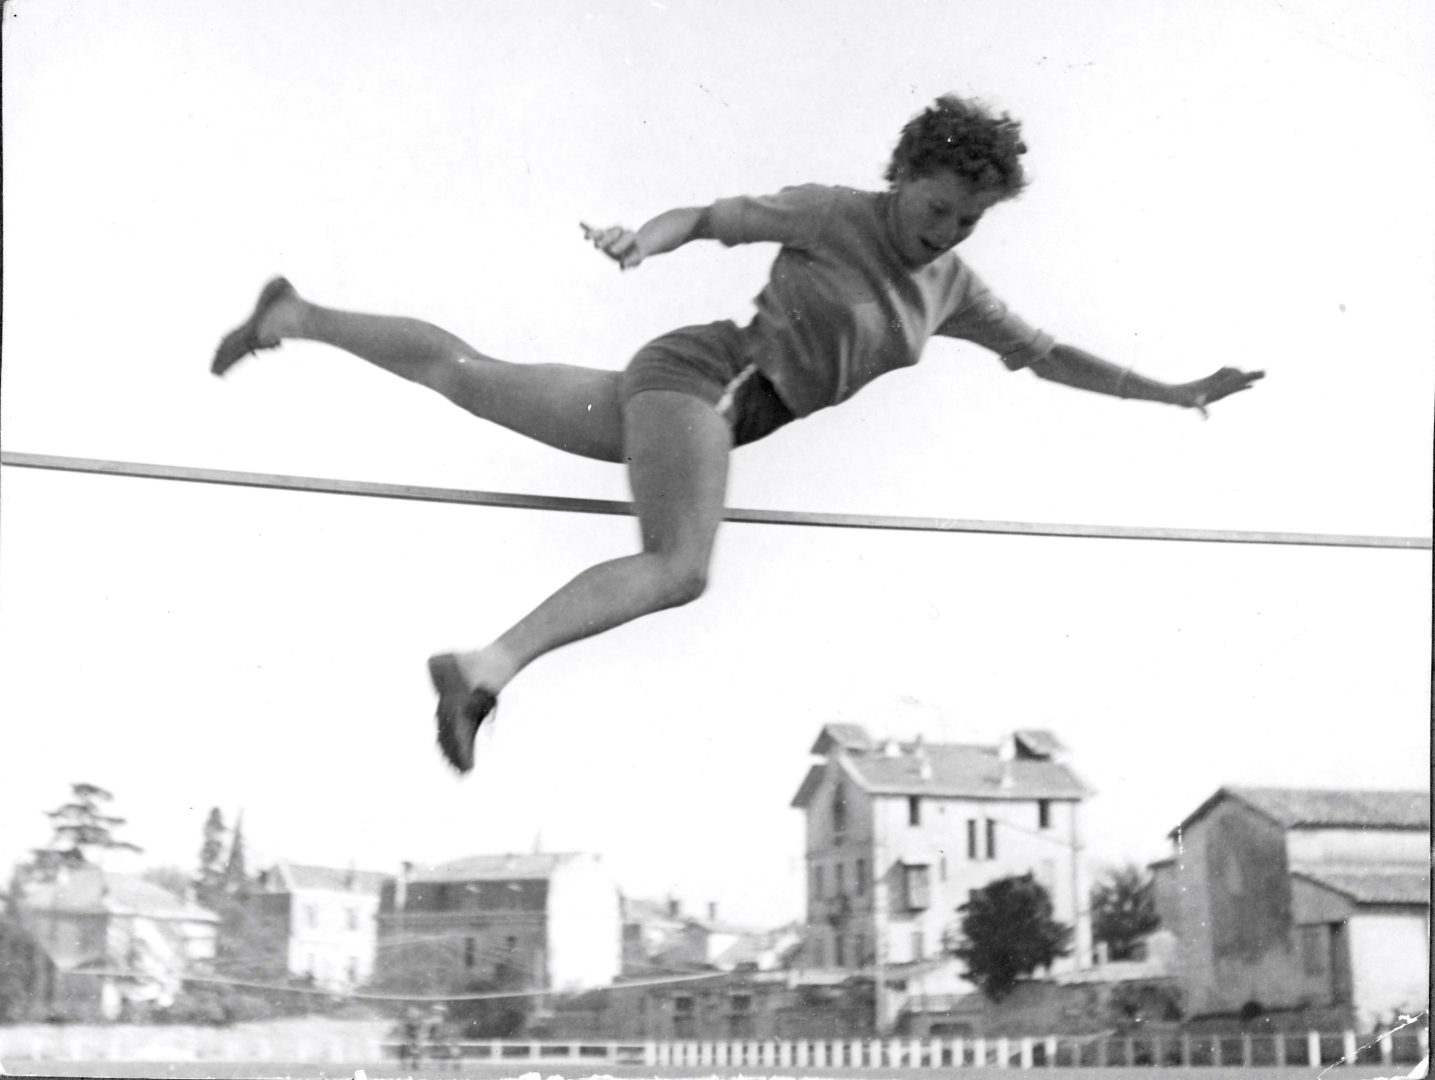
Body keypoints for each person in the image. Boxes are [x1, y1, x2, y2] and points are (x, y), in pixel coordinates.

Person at [211, 95, 1262, 774]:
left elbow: (1044, 353)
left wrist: (1172, 393)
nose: (941, 232)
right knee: (678, 569)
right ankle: (485, 667)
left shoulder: (950, 291)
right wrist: (641, 240)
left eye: (965, 222)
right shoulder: (834, 212)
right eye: (937, 207)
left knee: (468, 376)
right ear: (904, 175)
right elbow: (714, 218)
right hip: (705, 383)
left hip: (696, 404)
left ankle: (290, 316)